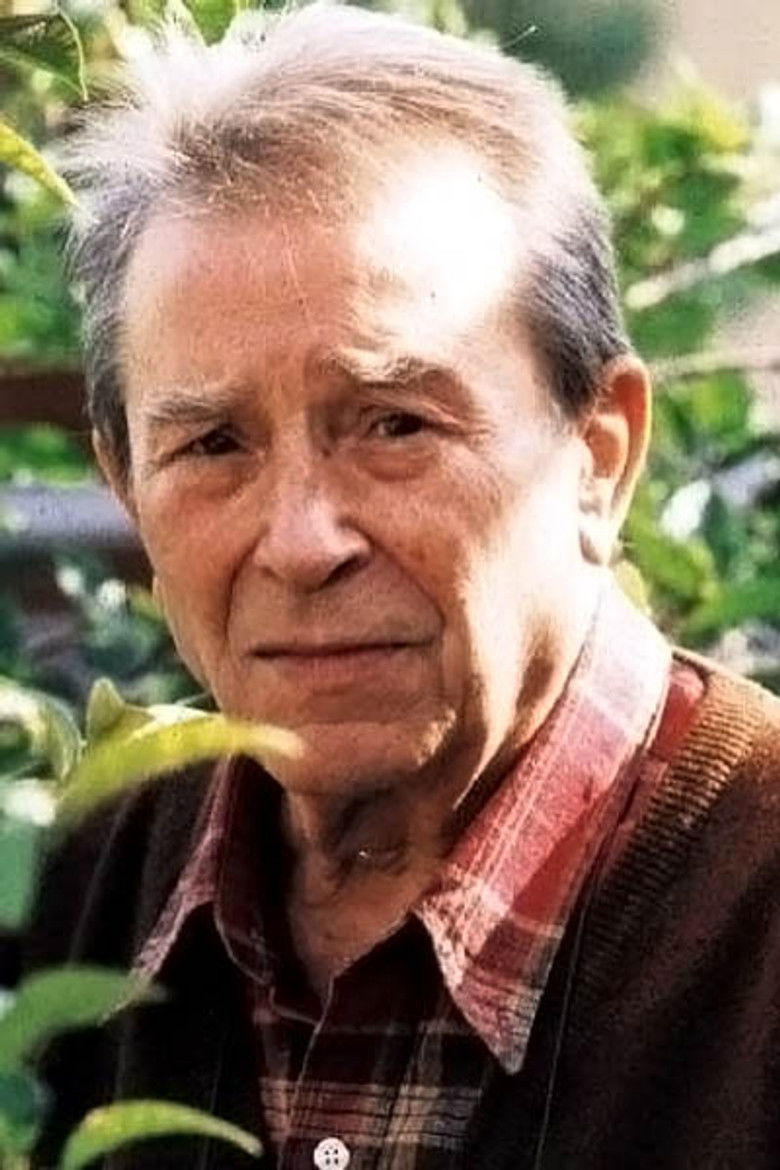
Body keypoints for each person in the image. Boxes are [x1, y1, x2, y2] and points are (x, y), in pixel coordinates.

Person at [12, 4, 780, 1168]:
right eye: (213, 445)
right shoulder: (82, 893)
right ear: (126, 487)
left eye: (394, 424)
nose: (301, 543)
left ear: (598, 455)